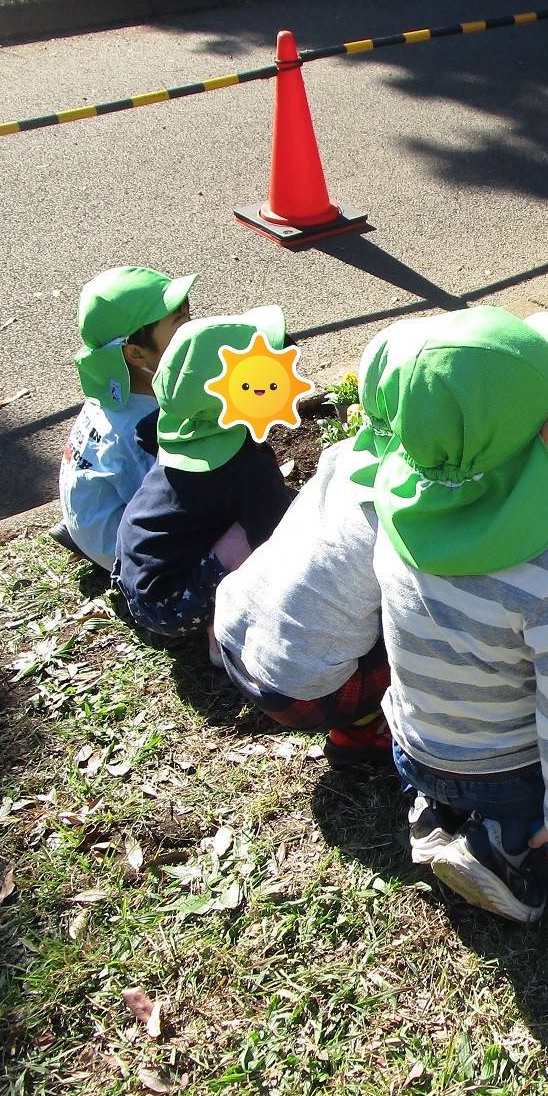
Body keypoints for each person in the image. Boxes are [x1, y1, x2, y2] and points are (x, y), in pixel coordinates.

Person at [372, 307, 548, 926]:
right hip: (501, 775)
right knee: (527, 794)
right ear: (534, 436)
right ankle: (500, 851)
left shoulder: (393, 524)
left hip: (414, 747)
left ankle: (431, 812)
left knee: (441, 763)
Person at [210, 319, 430, 769]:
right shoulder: (407, 507)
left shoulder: (344, 453)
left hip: (230, 633)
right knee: (430, 633)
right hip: (302, 690)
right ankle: (364, 727)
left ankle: (350, 703)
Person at [114, 308, 294, 639]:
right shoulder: (249, 468)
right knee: (269, 530)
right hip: (171, 605)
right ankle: (222, 637)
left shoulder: (180, 419)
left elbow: (144, 434)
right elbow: (282, 541)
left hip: (131, 573)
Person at [55, 267, 192, 569]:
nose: (194, 333)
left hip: (91, 519)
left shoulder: (116, 390)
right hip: (124, 551)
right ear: (136, 354)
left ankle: (84, 534)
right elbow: (160, 506)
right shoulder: (141, 429)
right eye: (181, 326)